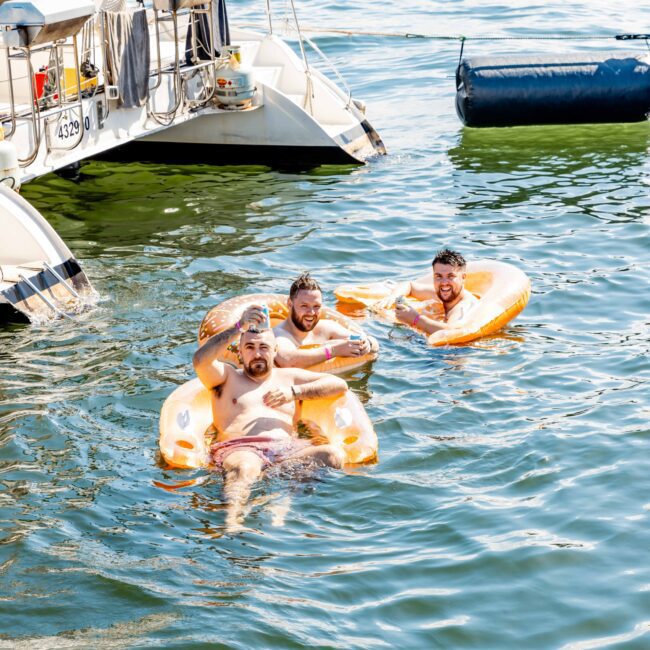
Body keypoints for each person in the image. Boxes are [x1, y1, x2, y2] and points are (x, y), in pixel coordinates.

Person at [193, 310, 348, 530]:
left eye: (264, 347)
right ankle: (233, 522)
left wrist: (294, 392)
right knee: (246, 467)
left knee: (332, 455)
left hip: (288, 451)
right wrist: (238, 328)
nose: (257, 353)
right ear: (239, 352)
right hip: (242, 450)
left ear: (274, 350)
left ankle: (282, 506)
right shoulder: (226, 377)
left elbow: (339, 385)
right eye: (250, 347)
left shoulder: (289, 378)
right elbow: (200, 361)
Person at [272, 272, 379, 368]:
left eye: (316, 306)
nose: (311, 312)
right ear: (290, 304)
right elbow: (288, 361)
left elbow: (371, 342)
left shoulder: (326, 328)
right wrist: (333, 351)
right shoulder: (278, 334)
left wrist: (368, 344)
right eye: (304, 306)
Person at [391, 248, 479, 334]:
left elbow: (453, 332)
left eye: (450, 276)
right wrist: (393, 297)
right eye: (439, 276)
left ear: (463, 278)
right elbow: (410, 285)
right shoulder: (442, 293)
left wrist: (415, 319)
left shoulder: (464, 307)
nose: (444, 283)